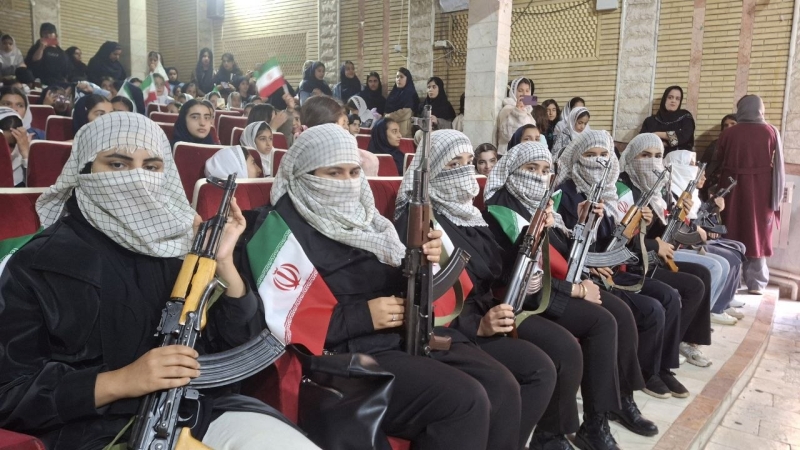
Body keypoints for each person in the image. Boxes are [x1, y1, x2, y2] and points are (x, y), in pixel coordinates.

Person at [0, 112, 317, 449]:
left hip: (201, 411)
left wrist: (223, 263)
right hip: (98, 431)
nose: (137, 177)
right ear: (85, 170)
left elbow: (238, 347)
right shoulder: (39, 262)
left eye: (151, 167)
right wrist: (120, 381)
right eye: (118, 165)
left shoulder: (183, 246)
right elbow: (10, 392)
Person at [238, 123, 522, 449]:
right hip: (348, 355)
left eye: (353, 172)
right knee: (465, 400)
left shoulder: (372, 223)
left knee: (501, 386)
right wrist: (365, 316)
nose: (347, 183)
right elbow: (287, 319)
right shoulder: (278, 231)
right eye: (333, 173)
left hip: (404, 336)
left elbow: (408, 291)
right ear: (302, 174)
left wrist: (422, 266)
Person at [483, 139, 659, 446]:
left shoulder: (540, 205)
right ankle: (568, 429)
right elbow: (513, 277)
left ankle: (610, 407)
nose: (538, 177)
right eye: (530, 168)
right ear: (511, 170)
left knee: (618, 313)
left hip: (550, 288)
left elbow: (565, 256)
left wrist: (581, 224)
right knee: (598, 325)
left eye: (544, 171)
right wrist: (576, 290)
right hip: (524, 299)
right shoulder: (500, 214)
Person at [395, 130, 560, 450]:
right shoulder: (419, 223)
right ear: (432, 170)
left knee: (542, 370)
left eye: (468, 162)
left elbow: (495, 273)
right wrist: (477, 326)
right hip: (450, 330)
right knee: (507, 384)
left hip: (486, 317)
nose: (464, 171)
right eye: (453, 164)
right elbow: (422, 302)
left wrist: (535, 242)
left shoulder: (471, 216)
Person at [556, 130, 691, 400]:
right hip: (585, 275)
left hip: (612, 268)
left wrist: (640, 225)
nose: (598, 161)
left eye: (604, 155)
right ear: (577, 157)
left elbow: (618, 241)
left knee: (669, 296)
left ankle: (659, 368)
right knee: (650, 310)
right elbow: (560, 241)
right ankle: (637, 380)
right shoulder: (565, 195)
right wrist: (588, 258)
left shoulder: (608, 193)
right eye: (590, 155)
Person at [718, 94, 783, 295]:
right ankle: (757, 283)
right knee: (758, 232)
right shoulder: (771, 131)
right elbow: (779, 166)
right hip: (762, 188)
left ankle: (731, 282)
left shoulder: (729, 133)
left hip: (732, 186)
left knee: (732, 229)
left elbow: (719, 159)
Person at [640, 86, 695, 155]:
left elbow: (683, 137)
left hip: (680, 158)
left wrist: (656, 134)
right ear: (664, 99)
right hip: (655, 158)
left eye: (677, 99)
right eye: (670, 97)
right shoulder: (650, 121)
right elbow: (642, 141)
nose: (673, 101)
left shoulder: (685, 117)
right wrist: (670, 140)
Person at [700, 114, 737, 199]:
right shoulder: (715, 144)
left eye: (733, 124)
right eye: (726, 125)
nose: (729, 127)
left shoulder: (744, 146)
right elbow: (703, 165)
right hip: (713, 185)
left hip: (733, 184)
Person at [495, 77, 535, 155]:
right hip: (508, 154)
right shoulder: (507, 109)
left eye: (527, 91)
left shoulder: (528, 111)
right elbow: (507, 135)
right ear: (513, 92)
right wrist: (518, 112)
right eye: (520, 90)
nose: (524, 94)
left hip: (524, 153)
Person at [384, 68, 419, 138]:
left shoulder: (410, 94)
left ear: (407, 79)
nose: (398, 79)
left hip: (403, 132)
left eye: (401, 77)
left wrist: (388, 116)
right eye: (397, 77)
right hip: (389, 131)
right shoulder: (393, 94)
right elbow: (386, 110)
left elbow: (406, 112)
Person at [0, 107, 30, 186]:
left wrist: (25, 154)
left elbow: (34, 187)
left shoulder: (22, 159)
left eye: (11, 145)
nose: (7, 150)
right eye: (2, 144)